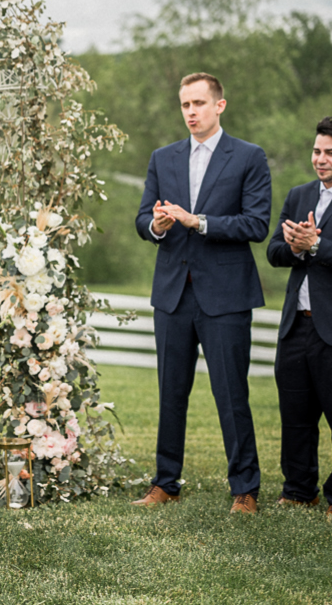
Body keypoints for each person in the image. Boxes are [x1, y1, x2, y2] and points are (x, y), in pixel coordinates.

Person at [133, 72, 271, 513]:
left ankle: (245, 489)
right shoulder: (163, 158)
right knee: (170, 393)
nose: (190, 112)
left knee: (231, 394)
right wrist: (156, 225)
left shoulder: (249, 156)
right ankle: (165, 483)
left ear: (219, 106)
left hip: (227, 297)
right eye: (184, 105)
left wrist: (199, 221)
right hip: (172, 294)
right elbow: (142, 219)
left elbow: (256, 224)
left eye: (198, 103)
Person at [266, 116, 332, 513]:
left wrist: (316, 245)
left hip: (331, 330)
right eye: (317, 151)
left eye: (329, 153)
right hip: (295, 325)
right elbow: (274, 252)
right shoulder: (299, 194)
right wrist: (293, 247)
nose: (321, 159)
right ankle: (298, 490)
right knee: (295, 415)